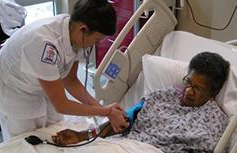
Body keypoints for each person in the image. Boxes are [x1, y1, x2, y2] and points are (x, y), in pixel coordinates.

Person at [0, 0, 128, 141]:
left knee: (55, 129)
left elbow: (70, 81)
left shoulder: (73, 32)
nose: (96, 44)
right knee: (25, 142)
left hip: (41, 82)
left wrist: (104, 110)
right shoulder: (44, 43)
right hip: (13, 89)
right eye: (96, 39)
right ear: (83, 29)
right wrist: (106, 111)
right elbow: (62, 105)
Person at [52, 52, 230, 153]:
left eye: (198, 89)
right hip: (122, 145)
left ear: (213, 92)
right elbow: (124, 120)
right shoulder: (162, 96)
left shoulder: (213, 119)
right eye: (188, 82)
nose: (189, 91)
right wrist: (81, 136)